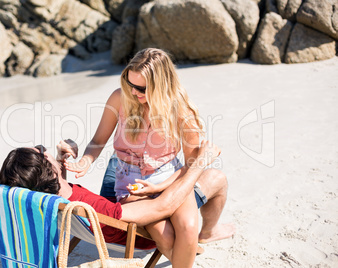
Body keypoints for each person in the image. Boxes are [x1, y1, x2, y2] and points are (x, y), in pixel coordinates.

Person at [60, 48, 235, 266]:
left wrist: (159, 187)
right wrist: (85, 161)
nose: (133, 92)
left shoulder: (182, 111)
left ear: (161, 85)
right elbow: (98, 140)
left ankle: (202, 238)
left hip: (172, 179)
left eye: (141, 88)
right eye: (129, 83)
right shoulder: (120, 98)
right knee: (166, 236)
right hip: (132, 185)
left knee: (189, 228)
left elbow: (190, 165)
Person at [0, 141, 220, 267]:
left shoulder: (51, 199)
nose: (43, 149)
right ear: (50, 170)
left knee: (126, 150)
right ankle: (207, 233)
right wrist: (198, 163)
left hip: (107, 210)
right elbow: (162, 207)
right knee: (216, 179)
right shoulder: (92, 208)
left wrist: (59, 158)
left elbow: (55, 185)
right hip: (134, 226)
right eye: (42, 151)